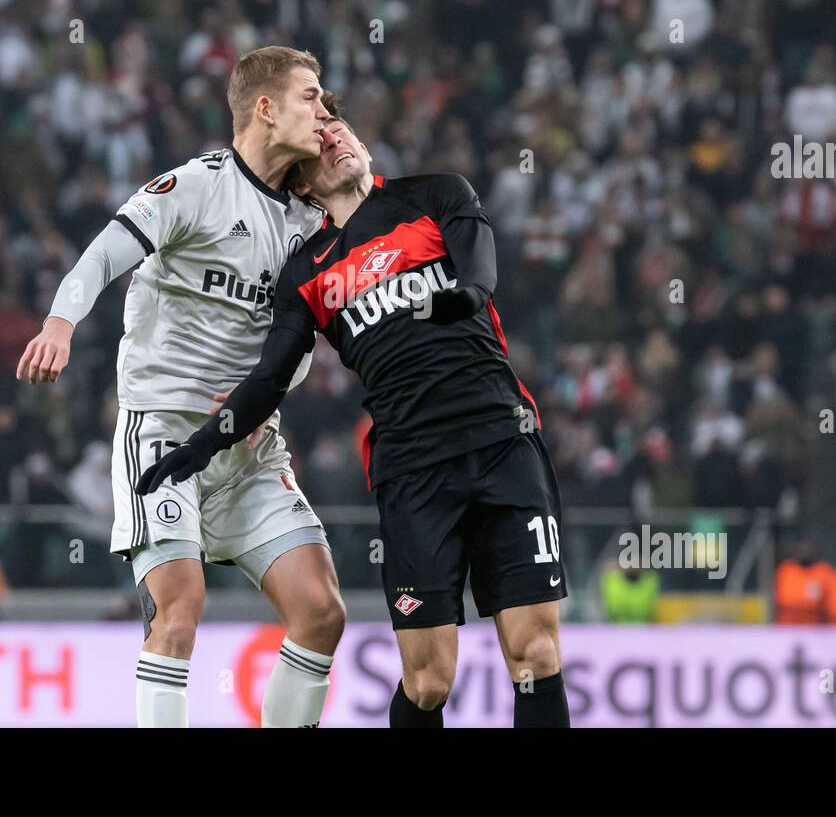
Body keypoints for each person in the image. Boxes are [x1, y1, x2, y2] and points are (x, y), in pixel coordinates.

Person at [137, 106, 570, 727]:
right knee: (427, 682)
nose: (335, 137)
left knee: (536, 652)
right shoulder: (307, 271)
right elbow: (268, 380)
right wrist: (200, 446)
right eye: (321, 142)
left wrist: (467, 296)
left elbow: (479, 266)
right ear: (305, 186)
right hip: (413, 470)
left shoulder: (436, 193)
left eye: (342, 130)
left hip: (503, 441)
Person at [16, 46, 345, 728]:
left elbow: (305, 338)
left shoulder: (313, 225)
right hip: (165, 435)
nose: (324, 109)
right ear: (264, 107)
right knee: (179, 610)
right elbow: (106, 250)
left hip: (251, 454)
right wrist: (59, 323)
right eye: (310, 95)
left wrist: (268, 395)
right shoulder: (197, 187)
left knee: (321, 613)